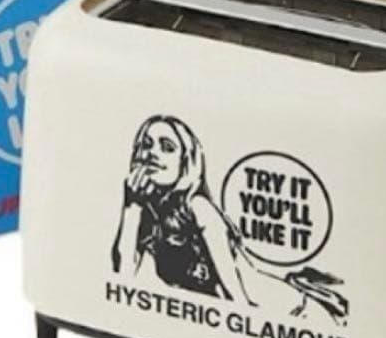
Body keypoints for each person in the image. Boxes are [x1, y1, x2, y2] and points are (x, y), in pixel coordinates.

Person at [112, 115, 348, 323]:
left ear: (186, 162)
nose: (152, 153)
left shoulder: (199, 208)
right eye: (146, 145)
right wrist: (132, 205)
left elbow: (237, 300)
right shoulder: (148, 214)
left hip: (293, 315)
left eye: (167, 147)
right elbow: (123, 284)